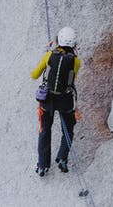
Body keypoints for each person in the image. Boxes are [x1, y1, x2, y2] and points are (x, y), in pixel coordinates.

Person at [31, 26, 80, 176]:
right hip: (65, 100)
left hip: (47, 100)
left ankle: (42, 166)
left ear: (58, 40)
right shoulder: (76, 61)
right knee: (68, 129)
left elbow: (34, 75)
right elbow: (71, 79)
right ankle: (62, 158)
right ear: (74, 45)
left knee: (45, 130)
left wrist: (47, 54)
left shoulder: (49, 56)